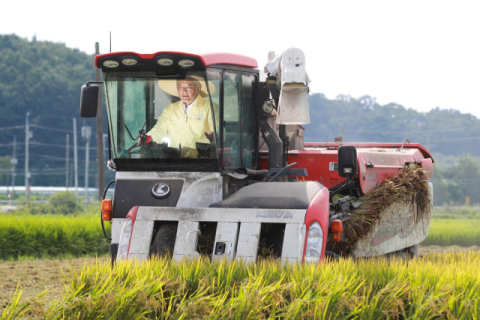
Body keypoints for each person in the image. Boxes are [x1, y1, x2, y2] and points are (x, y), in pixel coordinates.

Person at [144, 76, 216, 157]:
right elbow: (159, 130)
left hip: (200, 159)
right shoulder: (169, 109)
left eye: (189, 87)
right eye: (180, 87)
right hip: (174, 159)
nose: (184, 91)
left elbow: (218, 134)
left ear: (198, 88)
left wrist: (213, 137)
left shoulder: (211, 108)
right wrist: (149, 137)